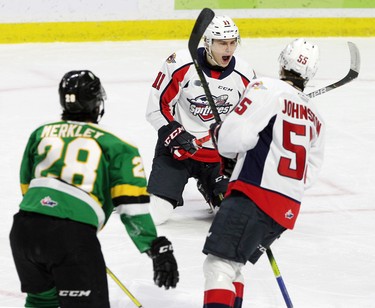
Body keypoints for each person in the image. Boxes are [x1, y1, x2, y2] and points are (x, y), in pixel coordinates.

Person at [9, 70, 179, 308]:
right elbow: (131, 207)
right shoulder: (117, 146)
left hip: (24, 231)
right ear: (96, 101)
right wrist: (154, 247)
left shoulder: (41, 134)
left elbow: (28, 187)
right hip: (71, 236)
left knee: (40, 303)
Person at [202, 38, 325, 308]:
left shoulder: (265, 87)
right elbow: (308, 175)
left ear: (282, 62)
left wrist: (220, 136)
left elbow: (235, 138)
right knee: (232, 265)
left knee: (219, 265)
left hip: (253, 195)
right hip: (285, 210)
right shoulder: (315, 115)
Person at [146, 15, 256, 224]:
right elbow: (156, 108)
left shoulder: (245, 74)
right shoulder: (179, 63)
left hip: (218, 160)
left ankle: (211, 188)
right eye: (222, 43)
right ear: (207, 42)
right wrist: (173, 133)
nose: (229, 49)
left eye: (233, 43)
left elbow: (251, 120)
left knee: (230, 218)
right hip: (177, 153)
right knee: (155, 215)